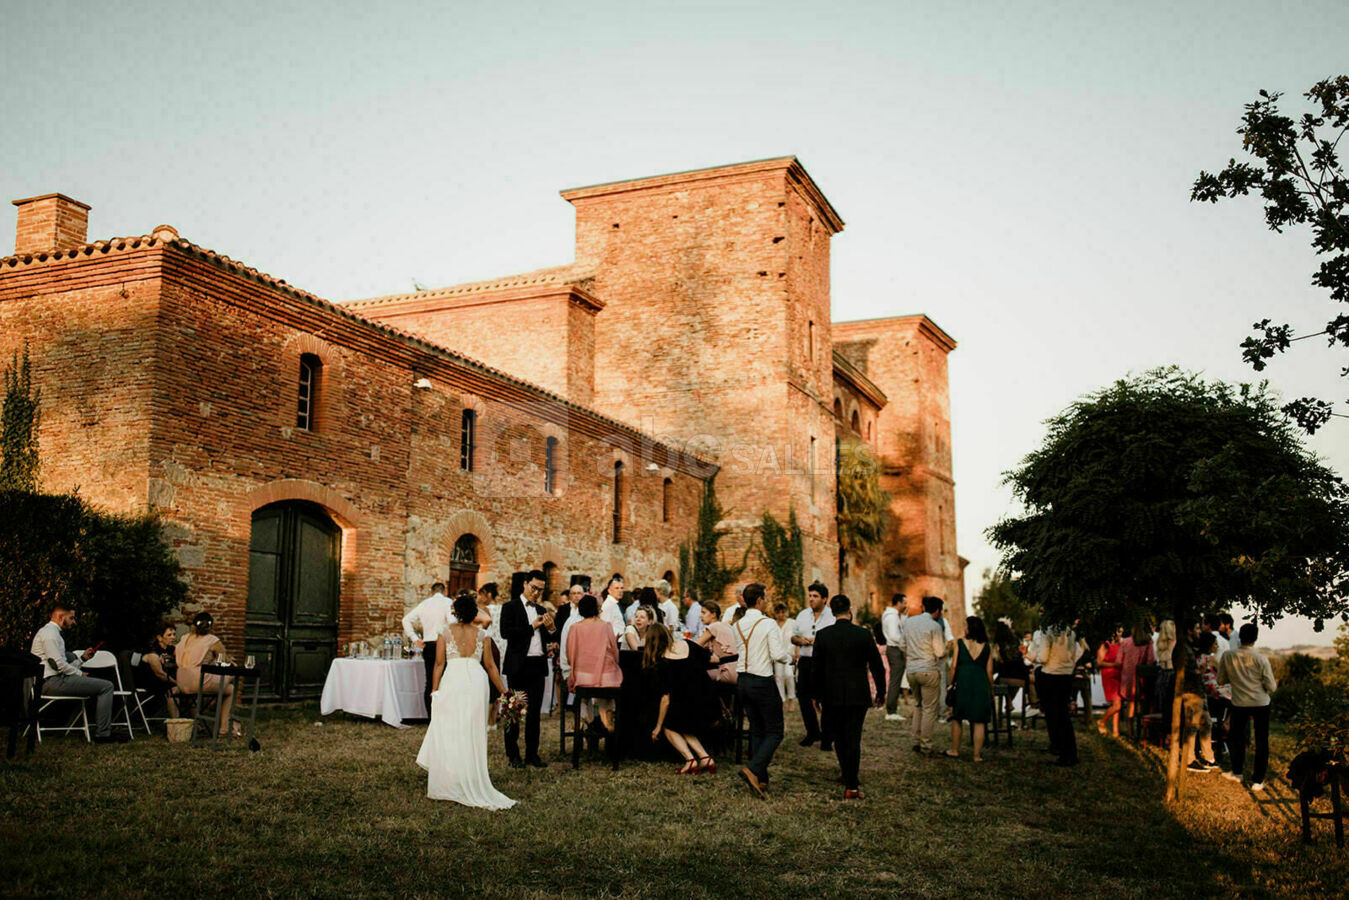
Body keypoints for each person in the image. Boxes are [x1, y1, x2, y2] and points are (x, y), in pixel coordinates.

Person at [416, 593, 514, 809]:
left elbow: (439, 664)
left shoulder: (444, 632)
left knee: (450, 728)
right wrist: (504, 692)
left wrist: (434, 690)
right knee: (472, 729)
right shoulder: (483, 635)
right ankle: (468, 775)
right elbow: (490, 667)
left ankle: (450, 777)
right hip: (476, 682)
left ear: (455, 612)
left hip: (453, 679)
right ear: (474, 613)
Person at [812, 594, 886, 798]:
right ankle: (851, 784)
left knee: (838, 736)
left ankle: (847, 773)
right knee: (853, 736)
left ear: (833, 612)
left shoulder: (823, 635)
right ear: (849, 610)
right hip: (857, 692)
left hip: (831, 693)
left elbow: (816, 668)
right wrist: (881, 691)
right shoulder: (863, 634)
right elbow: (877, 665)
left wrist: (816, 694)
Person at [30, 603, 125, 744]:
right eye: (72, 618)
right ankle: (103, 735)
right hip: (50, 682)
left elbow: (60, 665)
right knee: (107, 687)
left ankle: (101, 730)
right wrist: (80, 674)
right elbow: (58, 664)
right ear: (61, 617)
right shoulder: (50, 634)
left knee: (101, 684)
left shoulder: (52, 633)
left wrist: (82, 659)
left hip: (55, 678)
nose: (74, 622)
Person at [733, 583, 791, 799]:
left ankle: (761, 778)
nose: (766, 601)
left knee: (757, 729)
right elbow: (777, 654)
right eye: (765, 597)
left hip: (742, 681)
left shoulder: (737, 625)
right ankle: (753, 768)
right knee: (775, 731)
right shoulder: (768, 623)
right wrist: (790, 658)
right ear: (759, 600)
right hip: (762, 681)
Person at [644, 623, 717, 774]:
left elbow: (665, 699)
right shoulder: (688, 644)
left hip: (687, 704)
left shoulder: (661, 662)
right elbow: (714, 660)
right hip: (707, 699)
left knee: (669, 726)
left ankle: (690, 760)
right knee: (682, 724)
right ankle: (705, 758)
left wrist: (658, 726)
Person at [499, 569, 552, 768]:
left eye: (541, 590)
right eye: (534, 588)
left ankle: (532, 754)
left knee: (534, 714)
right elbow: (506, 633)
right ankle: (513, 755)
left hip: (538, 665)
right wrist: (532, 627)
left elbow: (545, 637)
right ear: (525, 584)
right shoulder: (510, 607)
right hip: (518, 667)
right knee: (513, 712)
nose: (537, 593)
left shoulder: (541, 610)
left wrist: (551, 636)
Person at [1218, 623, 1277, 790]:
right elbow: (1271, 687)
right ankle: (1258, 780)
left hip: (1239, 702)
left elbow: (1220, 680)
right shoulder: (1260, 658)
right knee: (1261, 741)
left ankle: (1237, 772)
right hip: (1260, 703)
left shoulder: (1228, 655)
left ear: (1240, 637)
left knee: (1236, 738)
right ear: (1255, 638)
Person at [565, 593, 623, 734]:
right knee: (607, 695)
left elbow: (570, 655)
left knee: (584, 697)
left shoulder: (575, 628)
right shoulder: (606, 626)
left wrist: (574, 672)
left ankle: (588, 723)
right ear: (597, 609)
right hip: (607, 678)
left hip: (583, 678)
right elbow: (615, 653)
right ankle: (607, 721)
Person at [176, 612, 239, 738]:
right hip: (199, 680)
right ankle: (224, 728)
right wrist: (233, 663)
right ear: (211, 626)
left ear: (193, 626)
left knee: (224, 687)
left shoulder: (184, 638)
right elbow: (225, 660)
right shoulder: (213, 640)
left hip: (181, 681)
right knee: (231, 685)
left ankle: (201, 718)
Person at [901, 596, 947, 755]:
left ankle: (915, 740)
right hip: (928, 669)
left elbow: (902, 645)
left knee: (918, 705)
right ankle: (925, 744)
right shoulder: (934, 626)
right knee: (929, 709)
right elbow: (940, 652)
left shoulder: (909, 623)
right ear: (937, 610)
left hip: (912, 670)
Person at [792, 582, 835, 750]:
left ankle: (827, 735)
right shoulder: (803, 615)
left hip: (823, 663)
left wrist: (820, 642)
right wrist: (800, 640)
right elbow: (793, 636)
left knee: (825, 699)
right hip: (805, 660)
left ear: (824, 599)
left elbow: (834, 639)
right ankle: (812, 732)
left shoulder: (831, 616)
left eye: (815, 596)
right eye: (810, 595)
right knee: (803, 698)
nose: (811, 599)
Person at [945, 616, 994, 762]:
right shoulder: (987, 646)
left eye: (965, 625)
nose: (964, 628)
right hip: (980, 683)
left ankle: (954, 750)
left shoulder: (960, 643)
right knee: (979, 721)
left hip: (964, 682)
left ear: (970, 628)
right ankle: (977, 755)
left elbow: (953, 666)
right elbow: (989, 671)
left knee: (957, 717)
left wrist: (950, 683)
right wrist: (990, 689)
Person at [1031, 621, 1079, 767]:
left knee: (1054, 714)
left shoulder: (1048, 632)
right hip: (1066, 674)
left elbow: (1044, 658)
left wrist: (1035, 658)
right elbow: (1075, 654)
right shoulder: (1070, 632)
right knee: (1063, 714)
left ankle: (1062, 749)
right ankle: (1068, 751)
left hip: (1051, 674)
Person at [402, 581, 451, 721]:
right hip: (445, 645)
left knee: (430, 680)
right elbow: (452, 620)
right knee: (445, 680)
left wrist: (415, 638)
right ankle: (443, 716)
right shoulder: (448, 602)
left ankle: (431, 717)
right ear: (444, 591)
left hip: (429, 645)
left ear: (431, 592)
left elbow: (406, 620)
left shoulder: (424, 604)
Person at [1195, 631, 1231, 766]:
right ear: (1210, 646)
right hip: (1212, 689)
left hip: (1206, 688)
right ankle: (1227, 722)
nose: (1217, 646)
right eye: (1215, 644)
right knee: (1236, 697)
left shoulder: (1198, 657)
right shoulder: (1210, 659)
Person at [136, 621, 180, 717]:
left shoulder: (172, 649)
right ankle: (176, 723)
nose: (173, 637)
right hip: (151, 682)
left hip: (167, 681)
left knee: (190, 688)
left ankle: (193, 721)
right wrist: (178, 683)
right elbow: (160, 674)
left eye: (174, 634)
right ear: (159, 638)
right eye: (169, 635)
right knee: (173, 690)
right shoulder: (152, 652)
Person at [1117, 622, 1155, 727]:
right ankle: (1144, 727)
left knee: (1130, 703)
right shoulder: (1148, 642)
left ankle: (1130, 730)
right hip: (1142, 677)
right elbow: (1150, 660)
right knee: (1142, 703)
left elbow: (1119, 661)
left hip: (1127, 676)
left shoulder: (1125, 642)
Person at [695, 602, 738, 685]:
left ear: (713, 614)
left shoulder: (714, 627)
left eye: (704, 612)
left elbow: (695, 646)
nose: (701, 616)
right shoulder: (724, 625)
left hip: (727, 672)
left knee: (694, 675)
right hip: (736, 670)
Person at [880, 593, 907, 721]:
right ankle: (891, 710)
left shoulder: (894, 616)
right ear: (899, 603)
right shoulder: (892, 617)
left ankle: (892, 708)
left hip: (895, 649)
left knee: (896, 679)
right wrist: (905, 642)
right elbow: (893, 635)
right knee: (895, 680)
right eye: (904, 603)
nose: (906, 605)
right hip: (895, 649)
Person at [992, 620, 1028, 713]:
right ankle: (1009, 703)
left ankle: (1008, 703)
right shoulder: (1016, 641)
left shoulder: (998, 644)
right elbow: (1020, 654)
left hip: (1006, 673)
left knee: (998, 682)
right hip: (1021, 673)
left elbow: (997, 660)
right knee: (1014, 683)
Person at [1096, 625, 1124, 738]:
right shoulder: (1105, 645)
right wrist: (1114, 665)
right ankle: (1102, 721)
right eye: (1117, 632)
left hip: (1119, 676)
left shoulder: (1121, 645)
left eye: (1121, 632)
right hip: (1109, 676)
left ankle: (1116, 732)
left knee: (1117, 703)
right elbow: (1100, 662)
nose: (1119, 634)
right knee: (1117, 705)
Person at [771, 604, 797, 711]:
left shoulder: (792, 623)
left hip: (790, 654)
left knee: (789, 676)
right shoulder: (772, 624)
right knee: (779, 678)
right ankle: (781, 701)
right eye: (778, 612)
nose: (781, 615)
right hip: (778, 655)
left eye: (783, 612)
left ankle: (791, 700)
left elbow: (796, 638)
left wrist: (796, 652)